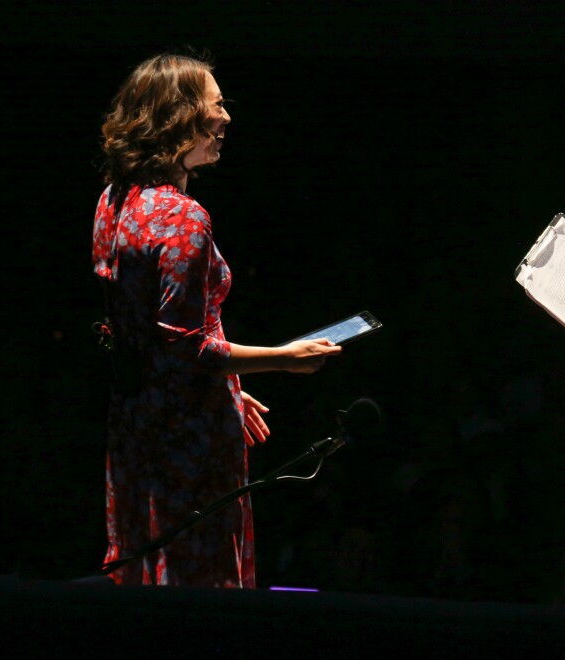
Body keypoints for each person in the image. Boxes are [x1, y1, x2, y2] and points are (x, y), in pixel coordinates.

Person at [92, 53, 342, 587]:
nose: (226, 117)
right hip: (188, 434)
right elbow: (188, 349)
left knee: (146, 570)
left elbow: (143, 337)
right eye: (216, 104)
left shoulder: (113, 203)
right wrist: (284, 360)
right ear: (178, 116)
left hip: (138, 423)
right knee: (198, 583)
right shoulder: (184, 218)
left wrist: (227, 387)